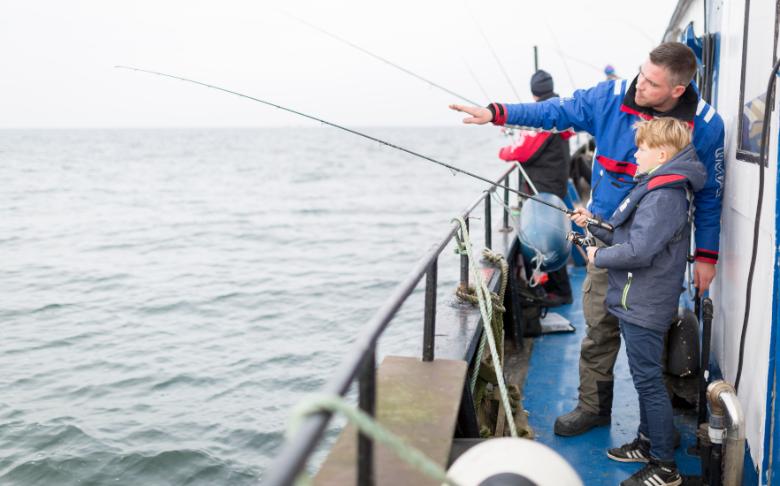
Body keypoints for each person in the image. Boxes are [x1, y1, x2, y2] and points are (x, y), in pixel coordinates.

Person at [449, 42, 725, 436]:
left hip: (658, 253)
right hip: (604, 238)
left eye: (651, 82)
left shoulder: (707, 124)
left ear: (677, 90)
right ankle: (594, 406)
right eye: (640, 73)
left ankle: (656, 430)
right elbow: (554, 111)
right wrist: (496, 113)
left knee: (652, 335)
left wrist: (707, 256)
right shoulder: (610, 97)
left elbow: (711, 194)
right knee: (598, 328)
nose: (638, 84)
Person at [571, 117, 705, 486]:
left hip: (644, 303)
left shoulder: (665, 195)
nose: (636, 153)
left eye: (642, 148)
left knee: (648, 382)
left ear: (661, 154)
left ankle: (664, 466)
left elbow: (640, 251)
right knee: (646, 377)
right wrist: (592, 225)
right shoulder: (658, 187)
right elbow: (628, 233)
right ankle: (648, 442)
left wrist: (599, 257)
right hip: (640, 298)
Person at [499, 69, 573, 305]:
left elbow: (520, 151)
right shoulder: (560, 110)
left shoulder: (544, 116)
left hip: (544, 186)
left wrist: (505, 150)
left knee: (550, 237)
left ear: (534, 93)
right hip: (553, 183)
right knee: (552, 234)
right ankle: (551, 287)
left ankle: (561, 292)